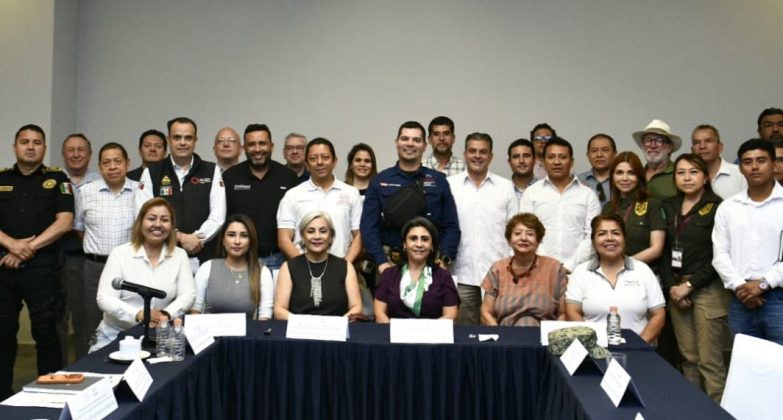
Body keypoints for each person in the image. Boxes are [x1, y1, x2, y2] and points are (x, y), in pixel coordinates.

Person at [0, 124, 73, 400]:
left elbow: (65, 222)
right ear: (15, 146)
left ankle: (48, 396)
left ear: (44, 147)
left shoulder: (58, 178)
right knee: (2, 335)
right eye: (25, 141)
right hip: (4, 269)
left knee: (47, 335)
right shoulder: (1, 178)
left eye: (37, 142)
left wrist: (25, 248)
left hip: (43, 271)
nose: (30, 147)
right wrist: (11, 244)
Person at [660, 153, 729, 402]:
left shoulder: (719, 207)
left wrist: (690, 285)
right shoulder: (668, 206)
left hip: (708, 288)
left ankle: (718, 412)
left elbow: (720, 255)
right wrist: (673, 287)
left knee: (710, 360)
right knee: (688, 358)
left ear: (706, 177)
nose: (687, 178)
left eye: (693, 172)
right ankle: (693, 410)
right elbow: (664, 251)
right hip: (677, 290)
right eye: (681, 172)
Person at [72, 142, 150, 358]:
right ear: (99, 166)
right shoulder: (85, 191)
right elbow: (79, 228)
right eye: (106, 163)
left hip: (130, 269)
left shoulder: (141, 190)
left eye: (118, 161)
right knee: (92, 322)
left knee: (130, 320)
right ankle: (90, 367)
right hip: (95, 267)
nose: (112, 167)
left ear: (127, 163)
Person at [91, 198, 195, 351]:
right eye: (151, 219)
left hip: (157, 336)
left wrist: (166, 314)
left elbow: (188, 294)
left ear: (172, 226)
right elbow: (104, 298)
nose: (158, 224)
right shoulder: (119, 254)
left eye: (164, 220)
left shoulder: (179, 255)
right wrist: (139, 314)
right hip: (114, 335)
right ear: (140, 223)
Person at [361, 121, 460, 275]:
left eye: (416, 140)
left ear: (424, 146)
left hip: (432, 264)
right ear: (396, 142)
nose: (410, 144)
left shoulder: (438, 181)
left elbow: (451, 226)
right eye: (405, 139)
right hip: (390, 263)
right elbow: (368, 227)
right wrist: (381, 263)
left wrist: (444, 260)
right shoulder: (379, 181)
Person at [712, 139, 783, 345]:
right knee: (745, 361)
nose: (754, 167)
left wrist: (762, 284)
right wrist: (741, 288)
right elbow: (720, 255)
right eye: (747, 162)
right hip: (741, 298)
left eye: (761, 160)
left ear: (773, 164)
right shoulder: (728, 207)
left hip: (778, 298)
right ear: (741, 168)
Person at [140, 117, 226, 272]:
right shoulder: (151, 173)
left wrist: (197, 238)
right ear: (169, 140)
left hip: (204, 256)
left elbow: (217, 216)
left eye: (188, 138)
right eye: (177, 137)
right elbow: (143, 215)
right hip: (163, 255)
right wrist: (180, 237)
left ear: (195, 140)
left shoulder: (211, 170)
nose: (183, 142)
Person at [448, 133, 517, 325]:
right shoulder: (450, 185)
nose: (477, 156)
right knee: (463, 335)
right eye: (472, 151)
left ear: (491, 156)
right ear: (465, 154)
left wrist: (512, 269)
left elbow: (515, 231)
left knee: (499, 333)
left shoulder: (505, 187)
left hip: (499, 276)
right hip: (462, 275)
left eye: (483, 152)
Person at [565, 214, 666, 343]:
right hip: (593, 348)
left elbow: (658, 315)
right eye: (602, 234)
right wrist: (592, 344)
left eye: (616, 233)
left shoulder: (643, 270)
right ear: (593, 242)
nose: (610, 238)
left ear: (624, 239)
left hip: (639, 349)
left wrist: (639, 345)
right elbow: (572, 312)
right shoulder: (581, 272)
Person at [223, 124, 298, 270]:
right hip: (239, 259)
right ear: (244, 148)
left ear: (272, 146)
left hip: (278, 259)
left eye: (262, 143)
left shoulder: (288, 177)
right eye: (251, 144)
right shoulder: (230, 177)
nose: (257, 149)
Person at [519, 137, 601, 272]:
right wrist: (546, 264)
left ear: (572, 162)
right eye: (551, 157)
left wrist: (569, 266)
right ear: (543, 161)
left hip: (579, 271)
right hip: (538, 269)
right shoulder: (531, 193)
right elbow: (527, 232)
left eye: (562, 157)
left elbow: (593, 235)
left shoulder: (588, 195)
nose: (557, 162)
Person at [277, 138, 363, 261]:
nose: (319, 162)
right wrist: (302, 266)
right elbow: (284, 239)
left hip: (341, 265)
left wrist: (345, 265)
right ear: (306, 164)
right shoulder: (293, 195)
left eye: (325, 157)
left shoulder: (351, 193)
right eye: (313, 158)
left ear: (334, 161)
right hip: (303, 267)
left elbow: (359, 235)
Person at [480, 213, 567, 326]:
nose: (523, 238)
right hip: (506, 334)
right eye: (517, 233)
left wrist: (553, 334)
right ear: (509, 240)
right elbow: (486, 312)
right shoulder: (498, 268)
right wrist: (499, 334)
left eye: (530, 234)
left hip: (544, 334)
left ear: (538, 240)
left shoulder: (554, 268)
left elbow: (563, 314)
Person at [58, 133, 101, 364]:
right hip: (53, 257)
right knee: (56, 319)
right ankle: (57, 370)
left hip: (83, 259)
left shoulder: (99, 182)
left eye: (81, 149)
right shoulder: (54, 179)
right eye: (71, 150)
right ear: (63, 154)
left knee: (85, 319)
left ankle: (83, 368)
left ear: (90, 154)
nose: (76, 154)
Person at [274, 211, 362, 319]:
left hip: (336, 328)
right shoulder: (288, 267)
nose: (317, 236)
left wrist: (337, 324)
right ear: (302, 236)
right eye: (310, 231)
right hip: (299, 327)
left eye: (323, 231)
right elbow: (279, 311)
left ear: (331, 236)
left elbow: (356, 307)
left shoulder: (346, 267)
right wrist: (306, 324)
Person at [374, 217, 459, 321]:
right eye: (413, 238)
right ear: (404, 244)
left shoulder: (444, 276)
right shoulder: (389, 274)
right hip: (394, 331)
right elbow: (379, 314)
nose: (419, 244)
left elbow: (450, 315)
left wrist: (427, 330)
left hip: (433, 331)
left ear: (432, 246)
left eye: (425, 239)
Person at [192, 214, 273, 320]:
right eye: (231, 235)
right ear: (223, 240)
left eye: (244, 235)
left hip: (248, 331)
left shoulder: (262, 273)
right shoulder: (207, 267)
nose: (237, 241)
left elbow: (265, 317)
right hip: (209, 330)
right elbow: (194, 311)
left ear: (251, 241)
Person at [603, 151, 666, 270]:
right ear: (612, 176)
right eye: (619, 173)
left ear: (639, 177)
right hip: (612, 272)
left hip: (644, 273)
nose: (625, 178)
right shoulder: (608, 208)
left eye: (631, 173)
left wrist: (624, 264)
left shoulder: (652, 204)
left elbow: (656, 249)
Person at [690, 124, 745, 199]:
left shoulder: (740, 173)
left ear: (720, 147)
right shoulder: (687, 178)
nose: (702, 146)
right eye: (696, 142)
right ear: (692, 150)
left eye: (708, 141)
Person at [633, 119, 681, 199]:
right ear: (643, 146)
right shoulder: (636, 175)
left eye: (659, 140)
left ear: (669, 148)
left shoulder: (679, 174)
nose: (653, 145)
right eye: (648, 140)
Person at [578, 133, 617, 207]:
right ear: (588, 156)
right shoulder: (577, 181)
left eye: (605, 150)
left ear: (615, 154)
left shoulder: (623, 181)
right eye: (594, 150)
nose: (599, 155)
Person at [507, 138, 537, 206]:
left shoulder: (546, 189)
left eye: (526, 156)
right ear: (509, 162)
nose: (521, 161)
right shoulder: (502, 190)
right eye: (516, 157)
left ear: (534, 160)